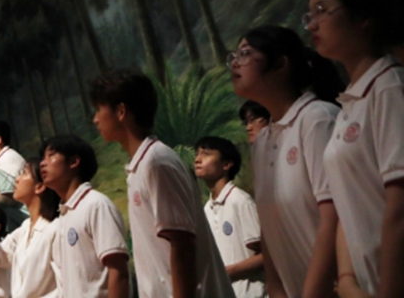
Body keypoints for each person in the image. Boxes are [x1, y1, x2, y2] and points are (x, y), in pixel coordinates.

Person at [91, 69, 234, 298]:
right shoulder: (142, 165)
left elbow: (182, 245)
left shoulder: (156, 162)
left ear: (121, 111)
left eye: (99, 110)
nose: (95, 119)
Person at [308, 0, 404, 298]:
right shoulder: (351, 101)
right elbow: (348, 203)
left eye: (322, 11)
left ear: (363, 16)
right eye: (309, 15)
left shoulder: (389, 87)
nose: (311, 23)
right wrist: (347, 278)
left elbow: (399, 205)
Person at [229, 26, 345, 298]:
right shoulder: (264, 140)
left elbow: (335, 217)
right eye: (234, 54)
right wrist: (277, 289)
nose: (234, 62)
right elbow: (270, 230)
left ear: (280, 64)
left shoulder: (317, 119)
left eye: (245, 53)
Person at [40, 134, 130, 298]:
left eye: (51, 155)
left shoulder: (96, 205)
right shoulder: (64, 216)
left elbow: (119, 273)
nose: (43, 163)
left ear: (74, 162)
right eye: (43, 157)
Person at [195, 136, 266, 298]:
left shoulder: (240, 201)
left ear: (227, 164)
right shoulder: (206, 209)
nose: (198, 160)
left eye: (206, 154)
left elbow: (267, 256)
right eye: (197, 155)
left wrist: (228, 272)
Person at [0, 158, 60, 298]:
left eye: (24, 173)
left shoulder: (55, 229)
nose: (17, 179)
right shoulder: (25, 228)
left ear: (39, 187)